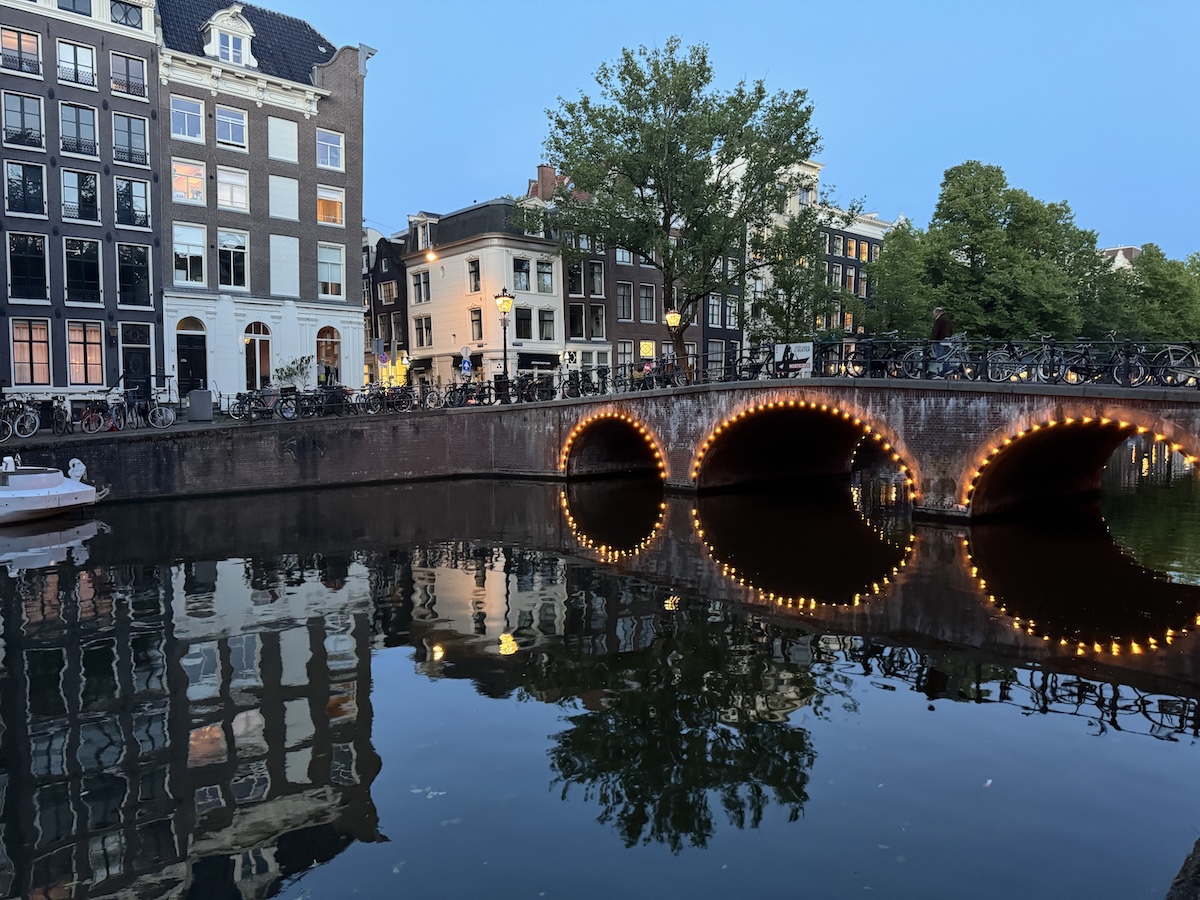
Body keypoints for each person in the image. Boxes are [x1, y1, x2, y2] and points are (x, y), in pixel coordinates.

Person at [930, 307, 953, 376]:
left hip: (940, 340)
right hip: (947, 339)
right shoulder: (947, 319)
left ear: (937, 312)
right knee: (945, 355)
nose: (933, 315)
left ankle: (945, 370)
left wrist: (932, 339)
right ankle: (945, 370)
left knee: (940, 356)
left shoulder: (939, 320)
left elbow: (936, 330)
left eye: (934, 313)